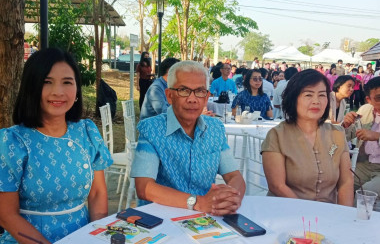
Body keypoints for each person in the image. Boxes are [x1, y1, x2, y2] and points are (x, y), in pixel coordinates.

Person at [0, 48, 113, 243]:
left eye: (67, 82)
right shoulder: (11, 142)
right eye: (47, 82)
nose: (58, 92)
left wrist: (98, 238)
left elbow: (97, 193)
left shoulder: (87, 132)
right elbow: (7, 215)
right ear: (31, 87)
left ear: (77, 90)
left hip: (82, 237)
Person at [131, 61, 245, 215]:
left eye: (199, 91)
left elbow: (234, 176)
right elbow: (144, 187)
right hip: (161, 218)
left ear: (206, 98)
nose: (192, 99)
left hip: (205, 219)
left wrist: (231, 197)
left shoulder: (215, 129)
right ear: (169, 96)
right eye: (184, 90)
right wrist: (198, 202)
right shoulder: (152, 129)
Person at [261, 69, 354, 206]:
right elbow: (277, 185)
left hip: (328, 216)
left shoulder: (337, 134)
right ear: (294, 98)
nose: (316, 101)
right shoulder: (277, 135)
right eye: (308, 95)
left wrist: (344, 216)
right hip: (287, 212)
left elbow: (346, 181)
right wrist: (308, 214)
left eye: (322, 95)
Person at [342, 77, 380, 206]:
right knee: (336, 183)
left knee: (365, 194)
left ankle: (358, 223)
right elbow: (347, 136)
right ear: (369, 100)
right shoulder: (365, 111)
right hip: (363, 165)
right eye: (378, 98)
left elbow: (374, 135)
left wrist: (377, 136)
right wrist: (346, 125)